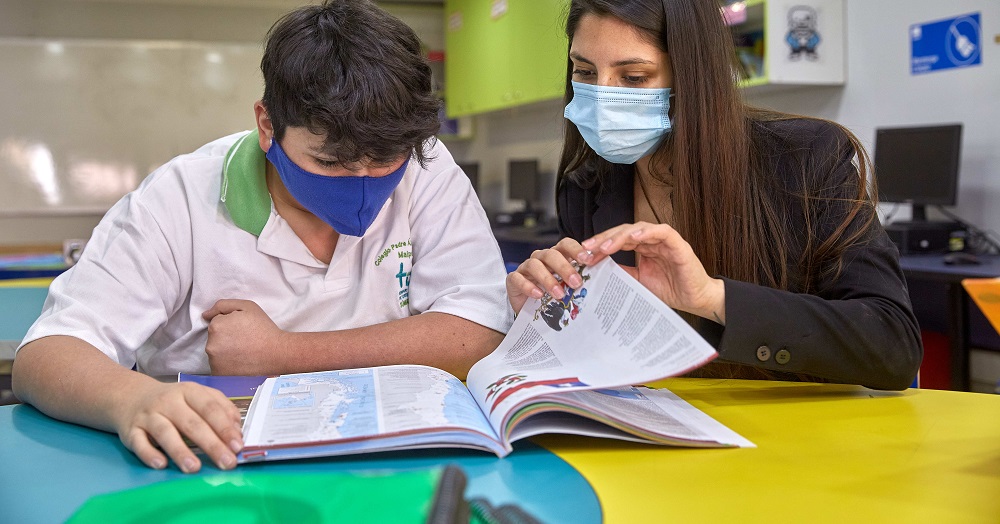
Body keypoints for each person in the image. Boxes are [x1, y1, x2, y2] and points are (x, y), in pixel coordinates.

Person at [12, 0, 512, 474]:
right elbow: (47, 355)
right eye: (332, 162)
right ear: (268, 125)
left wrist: (283, 353)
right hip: (217, 465)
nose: (363, 182)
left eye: (384, 161)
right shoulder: (179, 199)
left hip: (393, 463)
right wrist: (133, 398)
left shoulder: (426, 166)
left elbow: (477, 331)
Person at [506, 0, 922, 391]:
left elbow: (893, 345)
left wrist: (710, 298)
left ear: (692, 76)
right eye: (584, 71)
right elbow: (605, 358)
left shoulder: (805, 158)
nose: (602, 96)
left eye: (633, 77)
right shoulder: (585, 187)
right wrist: (540, 317)